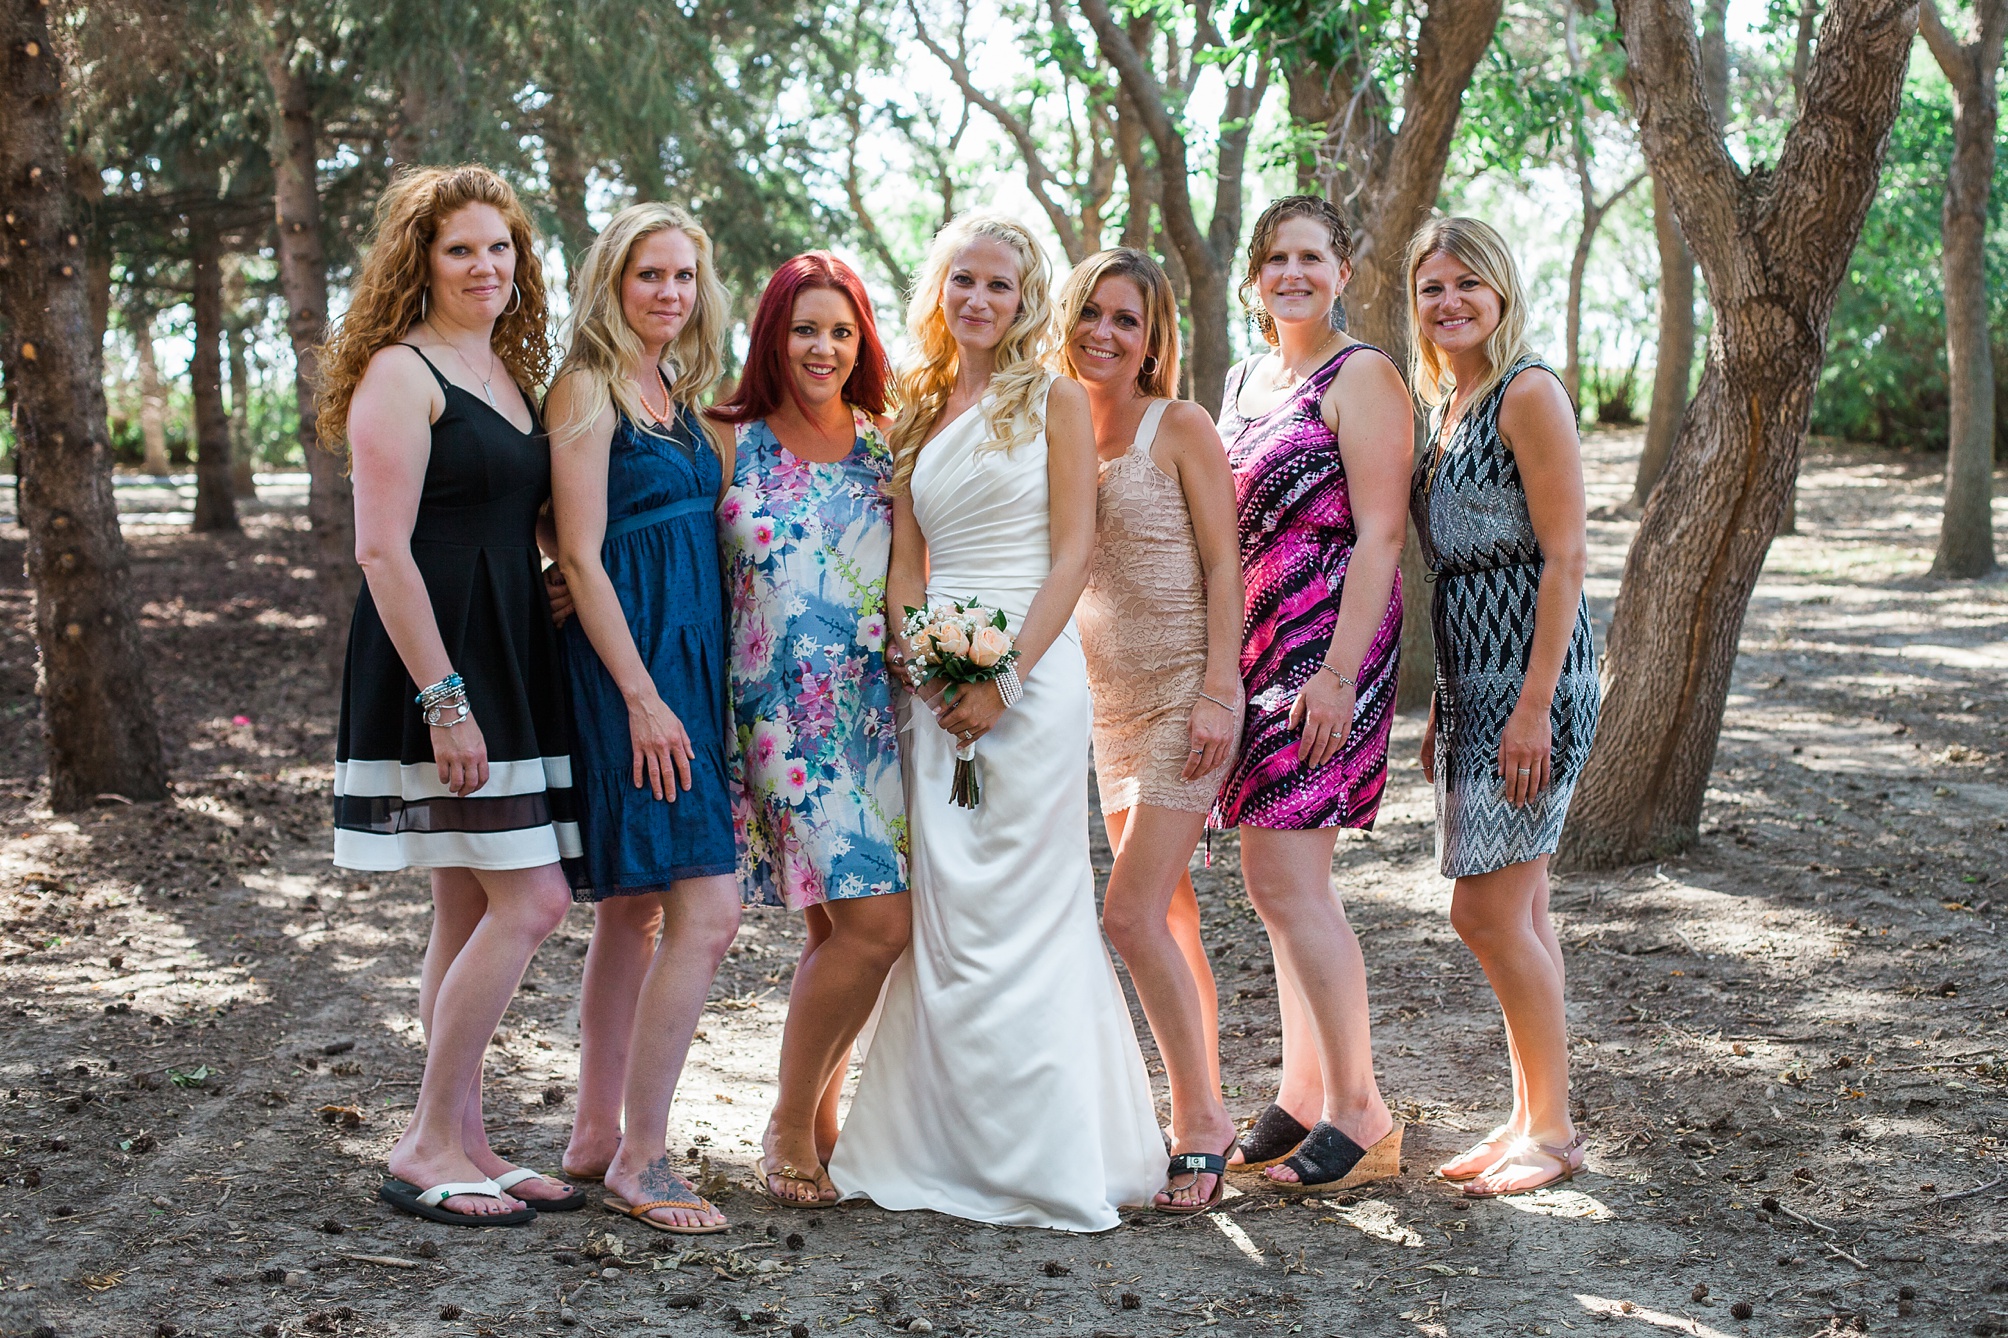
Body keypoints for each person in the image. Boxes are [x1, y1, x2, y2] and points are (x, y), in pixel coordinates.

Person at [826, 214, 1163, 1231]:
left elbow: (1072, 555)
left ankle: (1049, 1154)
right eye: (963, 281)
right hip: (933, 682)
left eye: (1000, 287)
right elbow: (904, 562)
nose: (979, 300)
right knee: (945, 905)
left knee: (1026, 901)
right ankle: (932, 1146)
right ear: (940, 291)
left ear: (1026, 302)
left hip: (1033, 677)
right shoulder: (915, 409)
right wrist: (922, 658)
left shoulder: (1054, 399)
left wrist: (1006, 677)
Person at [323, 164, 585, 1225]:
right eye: (461, 249)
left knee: (469, 902)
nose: (487, 267)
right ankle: (428, 1138)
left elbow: (508, 516)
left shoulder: (507, 372)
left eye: (501, 248)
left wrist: (564, 576)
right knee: (537, 898)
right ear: (420, 262)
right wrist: (445, 698)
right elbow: (384, 552)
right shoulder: (402, 369)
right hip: (441, 664)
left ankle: (468, 1135)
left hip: (511, 651)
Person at [547, 203, 740, 1234]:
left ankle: (591, 1132)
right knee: (707, 911)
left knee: (636, 911)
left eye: (682, 276)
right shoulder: (585, 387)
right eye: (647, 275)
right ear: (610, 284)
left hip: (689, 665)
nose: (668, 292)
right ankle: (645, 1155)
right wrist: (641, 697)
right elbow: (579, 553)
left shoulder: (675, 391)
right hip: (635, 672)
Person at [1211, 195, 1408, 1192]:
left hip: (1330, 648)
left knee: (1291, 881)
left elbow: (1379, 532)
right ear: (1255, 279)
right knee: (1270, 884)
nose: (1293, 272)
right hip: (1253, 652)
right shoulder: (1244, 380)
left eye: (1312, 256)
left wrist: (1335, 673)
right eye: (1276, 258)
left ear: (1341, 272)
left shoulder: (1361, 375)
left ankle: (1359, 1108)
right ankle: (1298, 1094)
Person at [710, 252, 910, 1207]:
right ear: (772, 337)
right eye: (804, 330)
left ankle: (819, 1117)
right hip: (776, 717)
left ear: (861, 340)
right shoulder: (726, 439)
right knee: (879, 926)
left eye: (840, 330)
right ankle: (789, 1120)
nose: (822, 348)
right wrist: (563, 578)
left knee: (842, 924)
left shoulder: (886, 445)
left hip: (874, 716)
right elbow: (632, 531)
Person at [1406, 217, 1600, 1198]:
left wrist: (1529, 710)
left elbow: (1564, 556)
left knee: (1480, 912)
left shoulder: (1526, 391)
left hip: (1535, 682)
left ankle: (1556, 1131)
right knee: (1523, 910)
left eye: (1465, 284)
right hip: (1471, 682)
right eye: (1431, 287)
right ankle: (1531, 1114)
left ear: (1500, 290)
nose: (1448, 302)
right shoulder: (1447, 403)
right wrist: (1450, 704)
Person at [1058, 248, 1242, 1214]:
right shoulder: (1053, 425)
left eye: (1126, 319)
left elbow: (1223, 564)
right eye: (1091, 312)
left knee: (1127, 915)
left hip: (1185, 694)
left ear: (1152, 337)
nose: (1104, 333)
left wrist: (1221, 689)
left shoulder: (1179, 425)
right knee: (1170, 916)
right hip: (1106, 707)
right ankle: (1199, 1098)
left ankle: (1202, 1122)